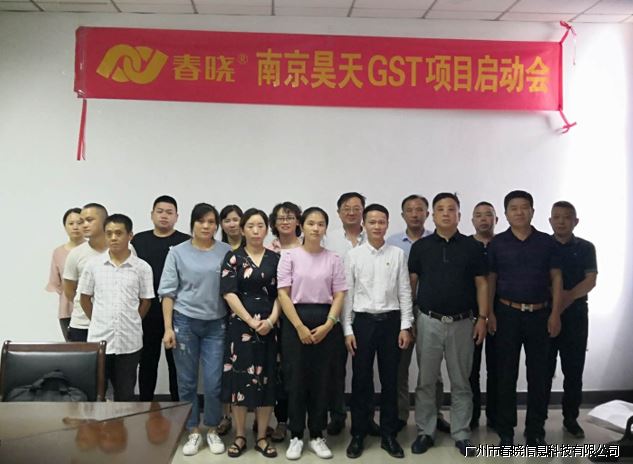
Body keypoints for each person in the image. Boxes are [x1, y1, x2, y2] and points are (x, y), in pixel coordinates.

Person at [409, 193, 488, 457]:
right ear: (432, 215)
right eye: (440, 209)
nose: (446, 213)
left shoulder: (472, 247)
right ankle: (425, 431)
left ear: (459, 215)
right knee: (426, 381)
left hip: (463, 323)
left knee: (461, 381)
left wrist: (483, 318)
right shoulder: (421, 247)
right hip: (428, 320)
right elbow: (411, 284)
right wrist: (409, 320)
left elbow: (482, 284)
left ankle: (461, 433)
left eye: (451, 209)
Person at [487, 190, 563, 447]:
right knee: (505, 373)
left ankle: (535, 430)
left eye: (524, 207)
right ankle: (505, 430)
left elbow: (556, 278)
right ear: (506, 214)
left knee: (539, 375)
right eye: (513, 208)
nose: (519, 212)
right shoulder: (497, 243)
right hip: (506, 313)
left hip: (540, 315)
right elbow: (491, 279)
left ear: (532, 211)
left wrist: (555, 314)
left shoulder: (547, 242)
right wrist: (490, 314)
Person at [159, 203, 231, 456]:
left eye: (211, 222)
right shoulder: (177, 252)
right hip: (185, 322)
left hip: (216, 323)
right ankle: (192, 430)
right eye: (201, 221)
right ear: (192, 223)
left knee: (213, 382)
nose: (206, 226)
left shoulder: (226, 251)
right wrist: (168, 328)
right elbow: (167, 293)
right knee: (187, 382)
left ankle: (211, 428)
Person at [343, 204, 413, 459]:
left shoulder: (397, 254)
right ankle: (358, 433)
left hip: (391, 323)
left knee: (390, 380)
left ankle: (388, 434)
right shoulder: (353, 255)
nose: (376, 226)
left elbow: (404, 291)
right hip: (362, 322)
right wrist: (347, 329)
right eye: (372, 222)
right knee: (361, 380)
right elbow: (348, 294)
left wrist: (405, 325)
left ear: (387, 224)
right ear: (364, 224)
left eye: (381, 222)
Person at [277, 207, 347, 460]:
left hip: (326, 322)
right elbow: (283, 293)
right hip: (295, 321)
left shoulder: (333, 258)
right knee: (295, 380)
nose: (316, 228)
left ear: (325, 228)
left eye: (321, 224)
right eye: (311, 223)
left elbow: (339, 294)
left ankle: (317, 434)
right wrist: (299, 326)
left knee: (322, 380)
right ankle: (296, 435)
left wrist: (329, 324)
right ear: (302, 226)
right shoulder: (289, 256)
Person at [386, 194, 450, 434]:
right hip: (400, 311)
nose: (415, 214)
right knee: (399, 367)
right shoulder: (392, 243)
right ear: (402, 215)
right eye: (410, 210)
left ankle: (435, 414)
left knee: (432, 368)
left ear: (427, 214)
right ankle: (400, 414)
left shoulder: (438, 241)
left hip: (430, 311)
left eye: (419, 210)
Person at [221, 208, 281, 458]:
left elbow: (282, 294)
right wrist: (250, 320)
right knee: (240, 380)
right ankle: (240, 435)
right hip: (240, 327)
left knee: (266, 380)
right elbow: (228, 292)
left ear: (267, 229)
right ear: (243, 230)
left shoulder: (276, 258)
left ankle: (263, 436)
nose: (256, 231)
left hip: (269, 326)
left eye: (260, 226)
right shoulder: (233, 258)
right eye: (250, 226)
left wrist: (271, 320)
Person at [78, 214, 154, 401]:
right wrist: (98, 320)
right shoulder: (93, 265)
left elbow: (146, 301)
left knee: (125, 395)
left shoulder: (142, 268)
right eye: (109, 233)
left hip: (129, 341)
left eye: (119, 233)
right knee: (97, 394)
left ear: (130, 235)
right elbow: (84, 298)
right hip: (99, 340)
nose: (113, 238)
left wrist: (132, 320)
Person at [324, 192, 379, 437]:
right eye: (346, 208)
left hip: (367, 313)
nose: (352, 212)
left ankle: (366, 418)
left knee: (365, 370)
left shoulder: (375, 237)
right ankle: (337, 415)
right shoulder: (329, 239)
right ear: (338, 213)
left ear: (363, 212)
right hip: (336, 312)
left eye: (357, 208)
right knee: (335, 369)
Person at [546, 201, 597, 439]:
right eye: (556, 217)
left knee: (574, 370)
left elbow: (590, 280)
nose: (561, 221)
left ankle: (571, 419)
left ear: (576, 221)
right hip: (545, 314)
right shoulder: (543, 246)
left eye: (567, 217)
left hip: (576, 313)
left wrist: (565, 299)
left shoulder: (586, 247)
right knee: (543, 370)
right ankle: (538, 419)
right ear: (550, 221)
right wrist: (556, 303)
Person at [131, 195, 189, 402]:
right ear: (152, 214)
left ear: (177, 217)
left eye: (169, 212)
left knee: (177, 364)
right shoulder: (139, 241)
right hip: (147, 310)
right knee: (147, 361)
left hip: (177, 311)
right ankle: (144, 405)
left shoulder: (185, 242)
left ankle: (178, 407)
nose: (164, 216)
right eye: (160, 211)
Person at [266, 201, 304, 443]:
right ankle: (274, 420)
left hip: (299, 318)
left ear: (298, 221)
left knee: (295, 371)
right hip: (271, 318)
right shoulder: (268, 251)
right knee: (274, 371)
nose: (285, 222)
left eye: (290, 217)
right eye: (281, 218)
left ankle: (293, 421)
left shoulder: (307, 248)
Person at [469, 201, 499, 430]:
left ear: (496, 219)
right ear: (472, 221)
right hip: (471, 315)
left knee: (498, 368)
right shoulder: (465, 246)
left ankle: (495, 415)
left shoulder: (504, 244)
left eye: (488, 215)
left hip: (502, 314)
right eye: (478, 215)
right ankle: (471, 416)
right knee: (471, 369)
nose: (483, 219)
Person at [63, 203, 109, 342]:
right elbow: (69, 290)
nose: (84, 225)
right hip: (82, 324)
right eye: (82, 221)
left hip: (114, 324)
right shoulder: (76, 254)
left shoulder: (126, 249)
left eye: (89, 220)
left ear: (105, 222)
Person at [217, 204, 243, 436]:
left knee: (249, 367)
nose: (232, 224)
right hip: (220, 314)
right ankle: (225, 416)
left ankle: (254, 417)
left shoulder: (253, 248)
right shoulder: (218, 249)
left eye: (236, 219)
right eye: (227, 220)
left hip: (249, 316)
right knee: (225, 367)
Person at [46, 207, 84, 341]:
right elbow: (55, 282)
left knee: (94, 348)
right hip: (67, 309)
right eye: (71, 223)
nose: (75, 227)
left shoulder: (92, 250)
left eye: (79, 222)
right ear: (65, 227)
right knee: (72, 347)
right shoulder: (58, 252)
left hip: (91, 309)